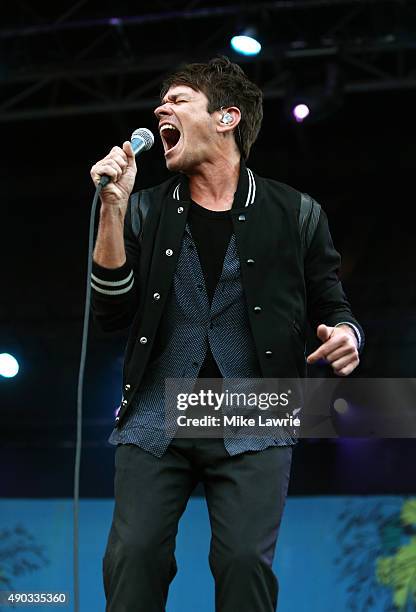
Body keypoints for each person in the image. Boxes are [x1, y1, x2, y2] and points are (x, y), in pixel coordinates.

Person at [90, 56, 364, 612]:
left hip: (255, 409)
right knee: (134, 557)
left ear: (227, 118)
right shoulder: (144, 210)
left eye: (179, 99)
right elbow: (111, 315)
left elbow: (333, 303)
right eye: (161, 101)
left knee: (242, 563)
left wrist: (347, 333)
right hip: (155, 411)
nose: (161, 108)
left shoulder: (296, 212)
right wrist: (112, 211)